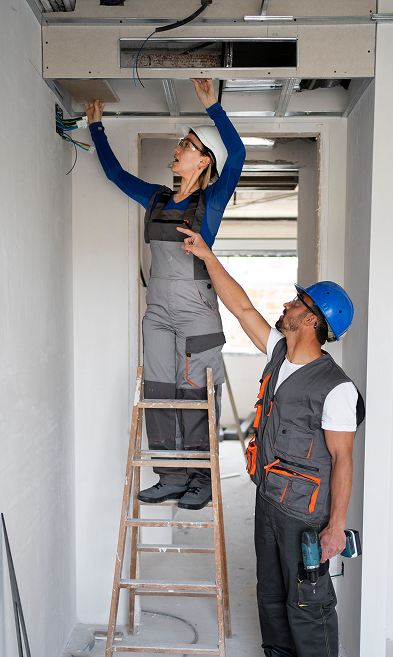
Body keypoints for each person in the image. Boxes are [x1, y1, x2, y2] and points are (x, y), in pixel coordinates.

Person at [175, 225, 365, 657]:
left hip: (306, 514)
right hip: (269, 500)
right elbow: (241, 308)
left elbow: (343, 458)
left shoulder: (337, 388)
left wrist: (335, 526)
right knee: (270, 597)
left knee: (308, 605)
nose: (287, 303)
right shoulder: (278, 351)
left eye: (297, 302)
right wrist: (207, 256)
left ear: (312, 320)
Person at [85, 79, 246, 511]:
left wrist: (214, 109)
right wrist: (96, 128)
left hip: (197, 313)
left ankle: (201, 478)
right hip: (157, 312)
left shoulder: (212, 201)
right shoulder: (156, 198)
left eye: (186, 145)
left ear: (204, 159)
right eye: (178, 143)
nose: (177, 149)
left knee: (194, 396)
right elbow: (116, 175)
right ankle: (171, 475)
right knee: (159, 391)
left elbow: (240, 157)